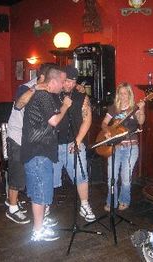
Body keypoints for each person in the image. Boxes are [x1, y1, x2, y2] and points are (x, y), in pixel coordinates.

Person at [21, 66, 72, 241]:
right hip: (38, 151)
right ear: (54, 81)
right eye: (63, 81)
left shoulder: (46, 95)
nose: (64, 84)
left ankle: (40, 224)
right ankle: (37, 231)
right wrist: (65, 106)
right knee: (39, 193)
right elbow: (54, 120)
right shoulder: (42, 96)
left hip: (40, 151)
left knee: (41, 191)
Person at [4, 63, 56, 224]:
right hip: (17, 136)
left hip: (33, 139)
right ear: (42, 77)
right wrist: (35, 88)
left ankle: (39, 209)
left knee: (35, 175)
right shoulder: (25, 87)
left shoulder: (49, 91)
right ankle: (12, 207)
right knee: (17, 173)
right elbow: (19, 104)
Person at [53, 65, 96, 222]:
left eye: (73, 81)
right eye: (67, 81)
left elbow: (87, 119)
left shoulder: (81, 97)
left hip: (74, 144)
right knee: (50, 179)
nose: (69, 84)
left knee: (81, 175)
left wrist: (78, 141)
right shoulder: (52, 95)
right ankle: (44, 210)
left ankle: (84, 205)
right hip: (54, 145)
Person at [100, 82, 145, 211]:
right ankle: (111, 201)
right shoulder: (114, 108)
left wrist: (141, 109)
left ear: (130, 94)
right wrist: (106, 131)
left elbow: (141, 121)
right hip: (115, 146)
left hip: (131, 147)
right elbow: (104, 123)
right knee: (111, 177)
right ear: (118, 95)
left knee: (126, 178)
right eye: (121, 93)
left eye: (126, 93)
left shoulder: (134, 108)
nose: (123, 96)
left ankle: (124, 200)